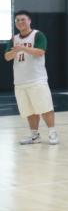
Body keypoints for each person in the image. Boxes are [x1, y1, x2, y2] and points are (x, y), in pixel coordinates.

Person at [5, 10, 59, 145]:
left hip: (37, 79)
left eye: (23, 19)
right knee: (29, 110)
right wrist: (15, 51)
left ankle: (52, 133)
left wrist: (22, 48)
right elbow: (7, 57)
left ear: (29, 21)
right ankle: (34, 135)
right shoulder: (14, 39)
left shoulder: (38, 35)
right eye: (17, 20)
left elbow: (40, 52)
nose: (20, 22)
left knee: (45, 107)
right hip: (20, 81)